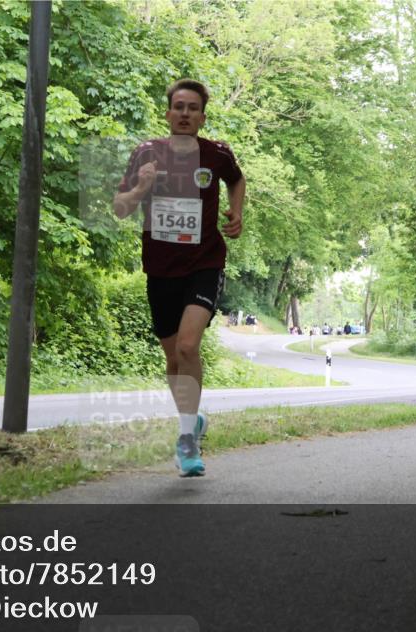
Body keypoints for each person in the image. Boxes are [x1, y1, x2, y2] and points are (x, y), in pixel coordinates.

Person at [113, 78, 246, 477]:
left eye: (193, 108)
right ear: (168, 112)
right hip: (160, 268)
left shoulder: (217, 154)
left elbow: (237, 179)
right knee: (173, 358)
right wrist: (141, 188)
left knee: (188, 346)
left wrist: (237, 213)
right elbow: (120, 208)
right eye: (179, 106)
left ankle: (187, 439)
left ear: (202, 117)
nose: (185, 113)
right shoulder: (146, 153)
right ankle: (193, 420)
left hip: (205, 263)